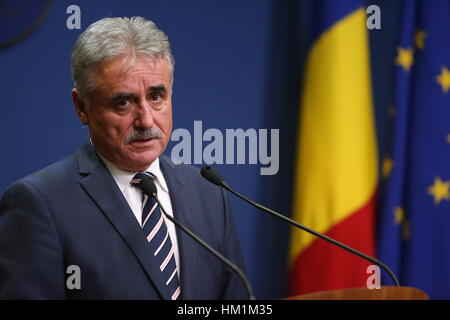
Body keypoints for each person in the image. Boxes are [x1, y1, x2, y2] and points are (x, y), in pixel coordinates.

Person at [0, 17, 247, 300]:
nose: (145, 119)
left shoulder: (208, 192)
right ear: (82, 107)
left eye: (156, 96)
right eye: (124, 102)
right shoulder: (39, 204)